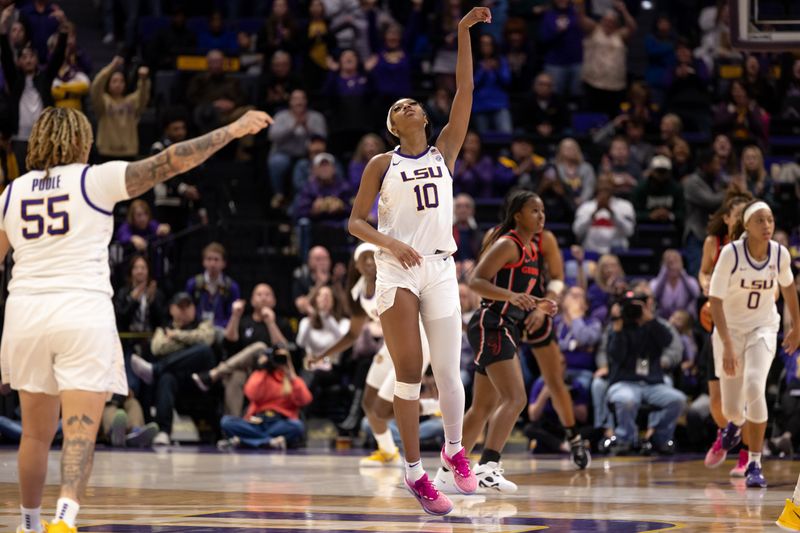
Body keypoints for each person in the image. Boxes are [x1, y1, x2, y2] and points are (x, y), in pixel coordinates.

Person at [0, 104, 270, 533]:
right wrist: (233, 130)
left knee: (34, 434)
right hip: (80, 311)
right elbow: (173, 159)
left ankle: (29, 525)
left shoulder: (11, 194)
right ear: (81, 142)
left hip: (25, 314)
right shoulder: (94, 179)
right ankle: (64, 520)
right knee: (80, 430)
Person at [348, 6, 491, 516]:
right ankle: (413, 473)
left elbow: (466, 93)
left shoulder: (443, 153)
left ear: (424, 118)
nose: (408, 105)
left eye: (413, 103)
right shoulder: (381, 164)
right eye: (399, 106)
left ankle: (454, 450)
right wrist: (391, 245)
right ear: (392, 124)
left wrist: (462, 32)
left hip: (440, 266)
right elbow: (355, 223)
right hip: (397, 268)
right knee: (410, 372)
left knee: (450, 373)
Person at [460, 190, 557, 492]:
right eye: (534, 211)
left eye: (542, 211)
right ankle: (488, 465)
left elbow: (514, 292)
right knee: (516, 398)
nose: (540, 216)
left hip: (505, 324)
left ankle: (450, 467)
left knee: (482, 406)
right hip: (492, 323)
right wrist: (511, 297)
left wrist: (537, 302)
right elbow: (476, 280)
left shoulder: (531, 250)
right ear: (518, 215)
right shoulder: (508, 243)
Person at [708, 200, 800, 489]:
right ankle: (733, 426)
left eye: (770, 220)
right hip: (729, 331)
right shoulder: (731, 254)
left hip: (763, 327)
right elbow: (715, 301)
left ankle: (755, 464)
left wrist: (797, 325)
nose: (767, 226)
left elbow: (788, 287)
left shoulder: (779, 253)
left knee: (754, 385)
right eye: (760, 220)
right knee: (733, 408)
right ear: (746, 225)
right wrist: (727, 344)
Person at [312, 242, 431, 465]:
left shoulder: (392, 279)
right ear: (356, 265)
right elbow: (352, 334)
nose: (368, 262)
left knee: (383, 409)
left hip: (415, 341)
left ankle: (435, 407)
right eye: (363, 258)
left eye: (372, 257)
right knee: (368, 403)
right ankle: (387, 451)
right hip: (392, 344)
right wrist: (322, 355)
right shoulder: (357, 292)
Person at [697, 191, 752, 473]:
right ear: (727, 218)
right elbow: (704, 271)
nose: (742, 220)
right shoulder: (714, 243)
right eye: (738, 215)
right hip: (718, 324)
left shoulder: (757, 246)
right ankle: (726, 433)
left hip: (745, 326)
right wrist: (707, 284)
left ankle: (747, 455)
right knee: (716, 400)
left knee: (748, 395)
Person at [192, 283, 293, 417]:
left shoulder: (282, 323)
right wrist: (235, 316)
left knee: (260, 347)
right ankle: (234, 426)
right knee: (236, 376)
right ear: (252, 301)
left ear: (274, 301)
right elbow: (228, 344)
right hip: (247, 370)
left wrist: (270, 323)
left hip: (272, 370)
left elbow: (283, 350)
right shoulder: (244, 322)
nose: (263, 298)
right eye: (259, 294)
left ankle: (216, 373)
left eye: (267, 295)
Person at [217, 346, 312, 450]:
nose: (279, 360)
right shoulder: (261, 374)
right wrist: (264, 367)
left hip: (279, 423)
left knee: (297, 426)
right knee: (226, 422)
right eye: (276, 357)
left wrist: (291, 375)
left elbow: (305, 400)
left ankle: (246, 441)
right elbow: (251, 394)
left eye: (282, 357)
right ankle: (269, 442)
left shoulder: (291, 379)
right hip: (257, 421)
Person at [90, 56, 151, 160]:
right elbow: (96, 85)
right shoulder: (103, 101)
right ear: (108, 83)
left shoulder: (132, 101)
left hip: (129, 152)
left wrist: (143, 79)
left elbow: (143, 95)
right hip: (106, 152)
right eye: (114, 81)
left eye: (121, 81)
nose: (118, 84)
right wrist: (112, 67)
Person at [572, 173, 635, 254]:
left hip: (617, 252)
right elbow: (577, 231)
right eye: (602, 185)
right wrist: (593, 214)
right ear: (597, 187)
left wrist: (612, 213)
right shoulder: (586, 207)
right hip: (591, 252)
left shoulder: (625, 206)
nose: (604, 188)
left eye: (608, 185)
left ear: (613, 187)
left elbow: (629, 231)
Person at [185, 242, 241, 329]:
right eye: (209, 259)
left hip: (222, 329)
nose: (212, 263)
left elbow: (232, 315)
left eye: (216, 259)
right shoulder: (193, 283)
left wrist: (219, 326)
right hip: (197, 328)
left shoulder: (231, 287)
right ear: (203, 262)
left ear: (224, 263)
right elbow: (187, 311)